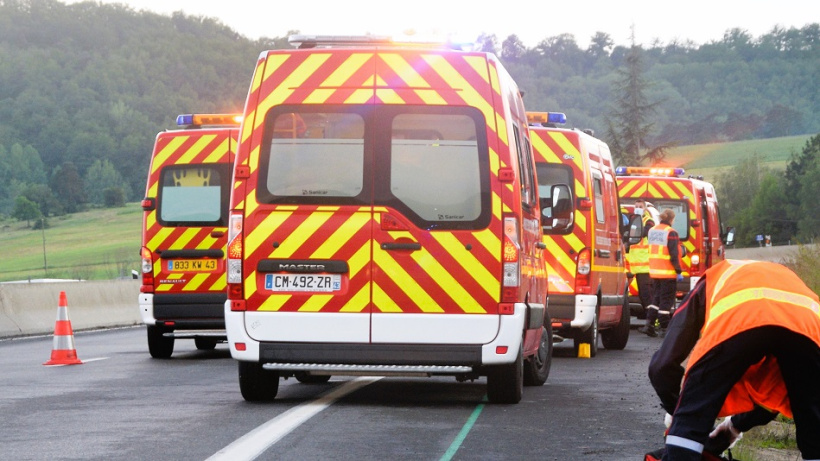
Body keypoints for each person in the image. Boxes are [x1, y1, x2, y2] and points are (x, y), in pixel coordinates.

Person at [647, 259, 820, 460]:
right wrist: (732, 428)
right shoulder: (786, 280)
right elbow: (770, 398)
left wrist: (680, 411)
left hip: (740, 318)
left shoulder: (711, 280)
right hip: (810, 329)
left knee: (689, 427)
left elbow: (661, 367)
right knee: (813, 428)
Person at [646, 208, 683, 337]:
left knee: (656, 299)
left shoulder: (652, 231)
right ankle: (665, 327)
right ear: (671, 219)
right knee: (666, 302)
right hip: (667, 273)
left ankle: (649, 324)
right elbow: (673, 254)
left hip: (655, 272)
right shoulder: (671, 232)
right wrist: (678, 271)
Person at [627, 199, 657, 337]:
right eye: (636, 206)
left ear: (645, 208)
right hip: (636, 266)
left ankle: (652, 323)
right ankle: (650, 322)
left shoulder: (648, 221)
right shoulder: (634, 220)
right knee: (644, 296)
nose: (638, 208)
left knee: (647, 296)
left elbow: (642, 233)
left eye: (640, 206)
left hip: (645, 265)